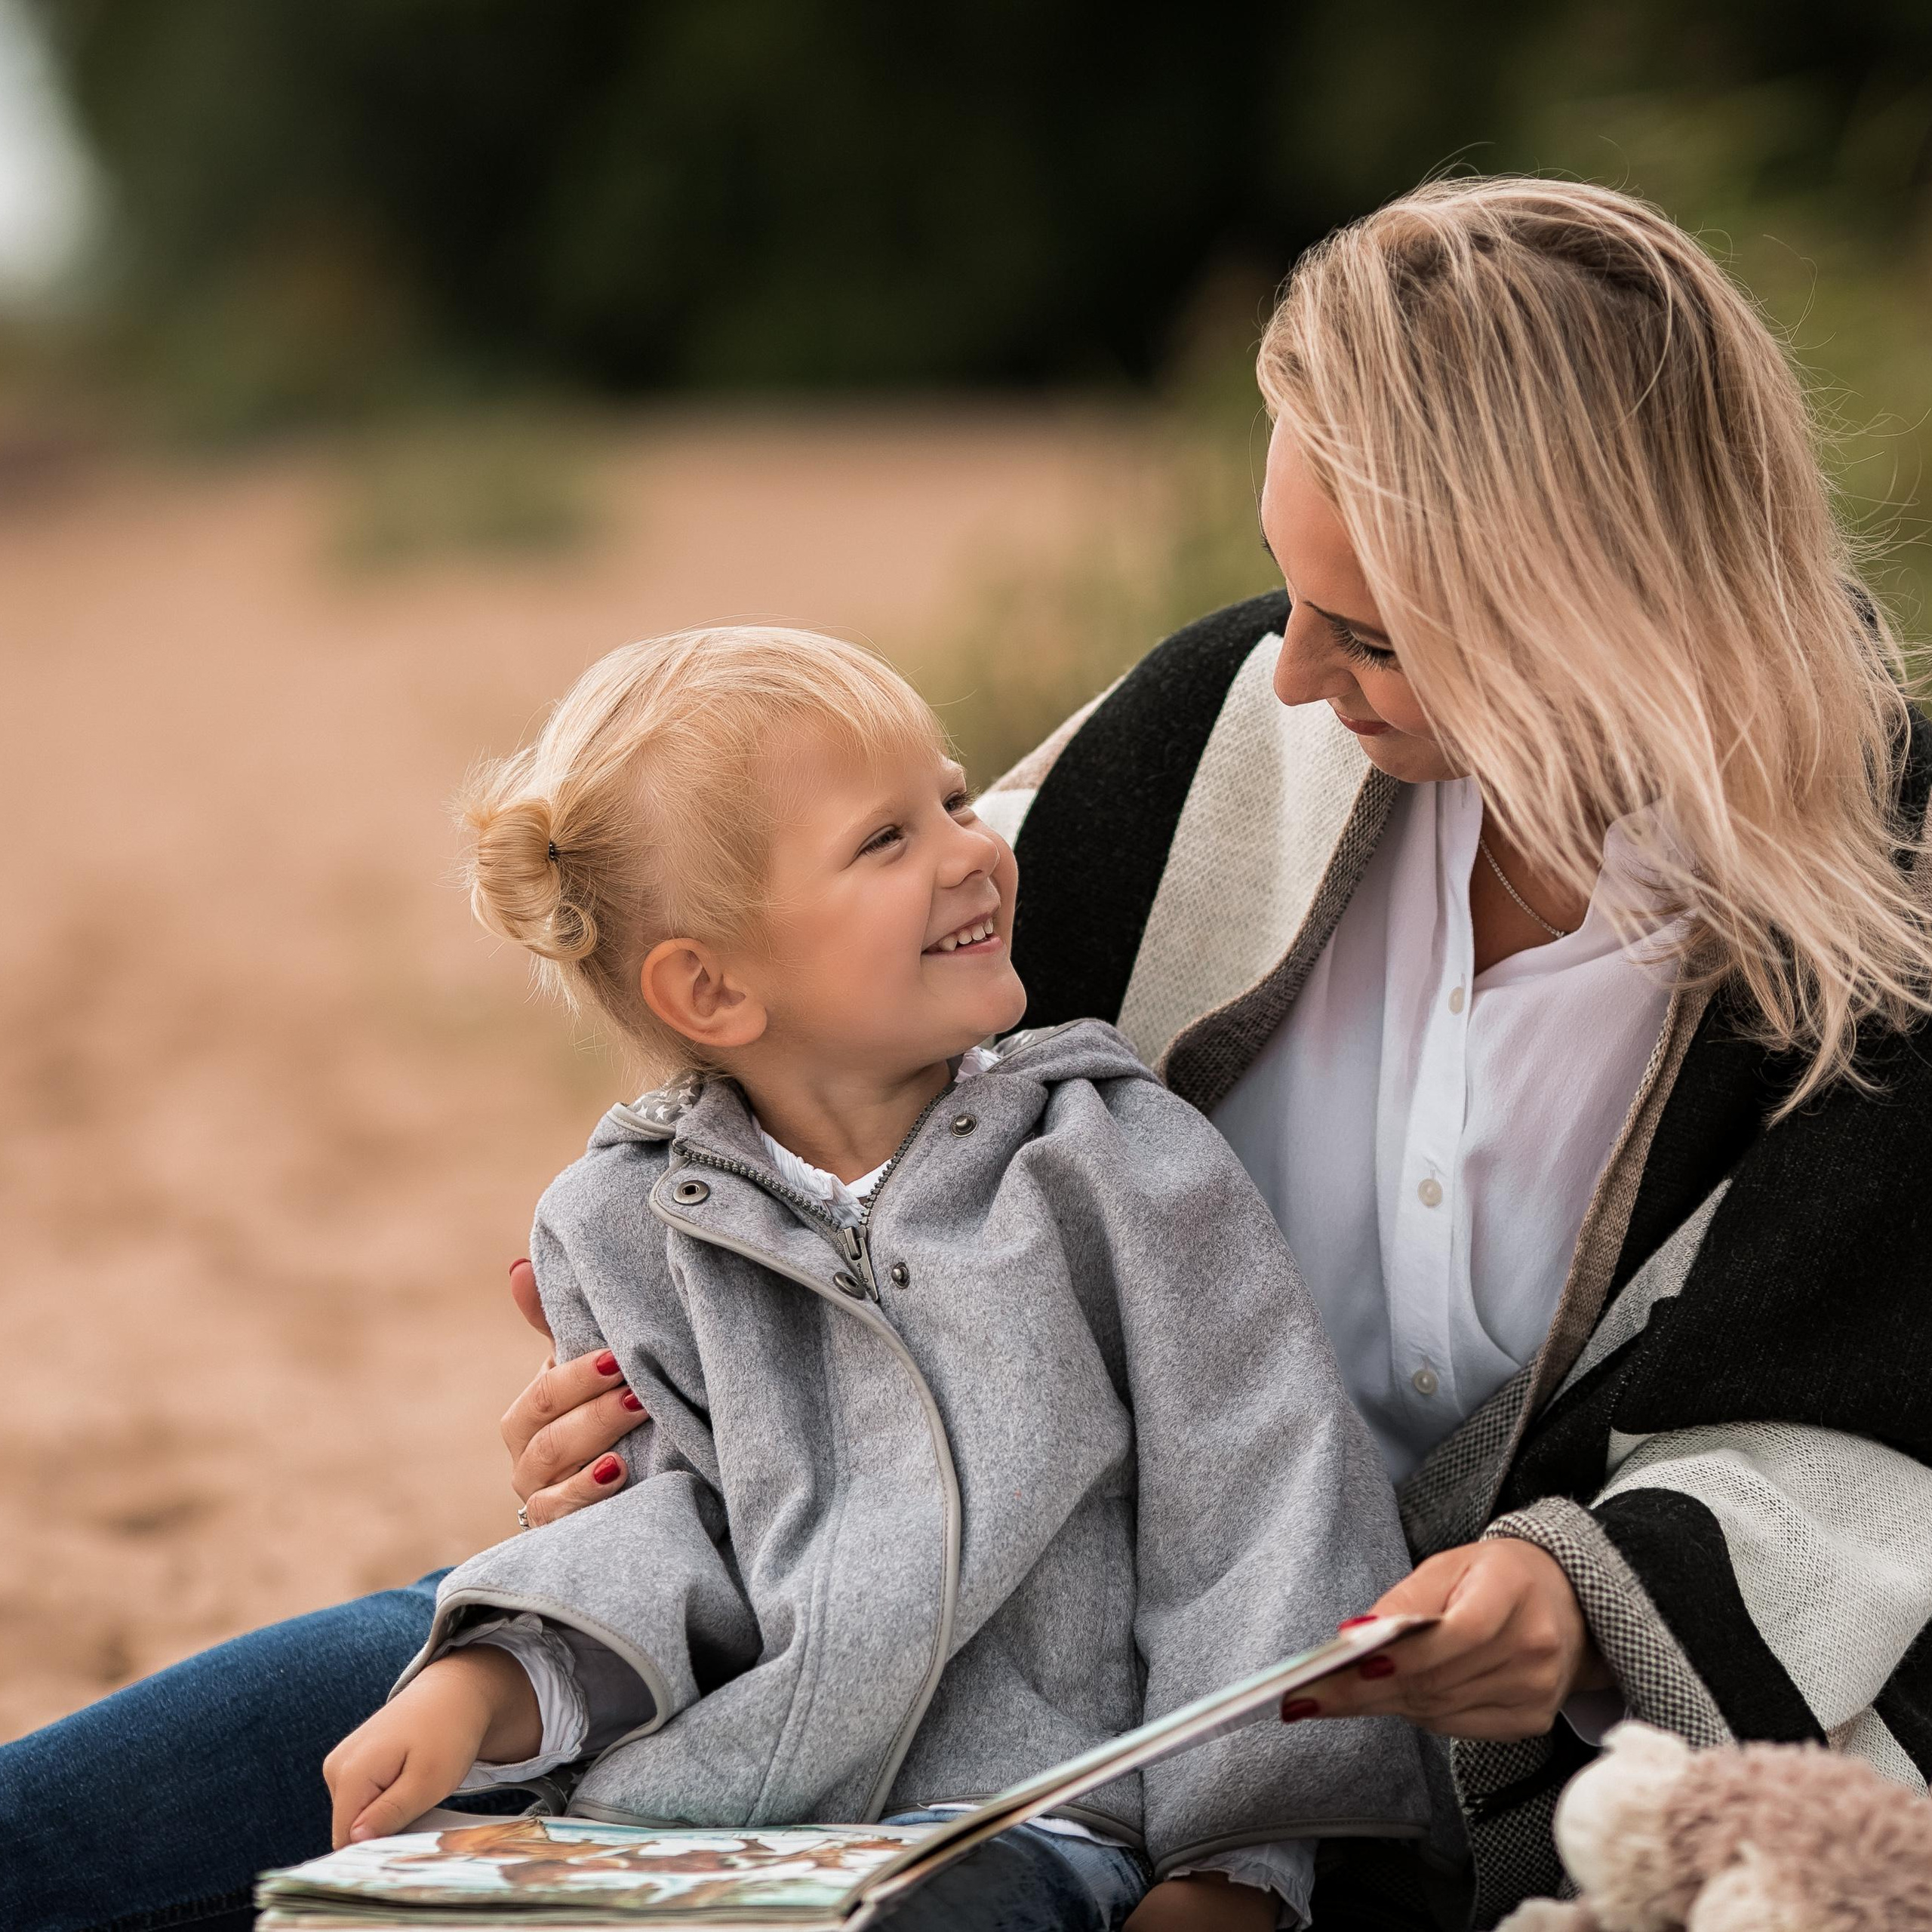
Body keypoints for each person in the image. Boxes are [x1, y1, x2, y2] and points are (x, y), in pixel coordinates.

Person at [6, 173, 1932, 1932]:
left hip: (1328, 1777)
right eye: (1288, 599)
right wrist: (638, 1399)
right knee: (101, 1824)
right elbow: (788, 1009)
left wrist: (1583, 1610)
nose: (1290, 679)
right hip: (786, 1642)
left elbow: (1878, 1430)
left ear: (1594, 613)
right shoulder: (1216, 735)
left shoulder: (1895, 894)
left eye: (1365, 635)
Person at [325, 623, 1426, 1930]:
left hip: (1037, 1823)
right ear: (713, 989)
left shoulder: (1116, 1165)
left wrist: (1235, 1862)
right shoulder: (620, 1222)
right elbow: (656, 1528)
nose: (976, 847)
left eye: (952, 799)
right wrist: (486, 1689)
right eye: (887, 839)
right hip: (711, 1825)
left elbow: (1262, 1508)